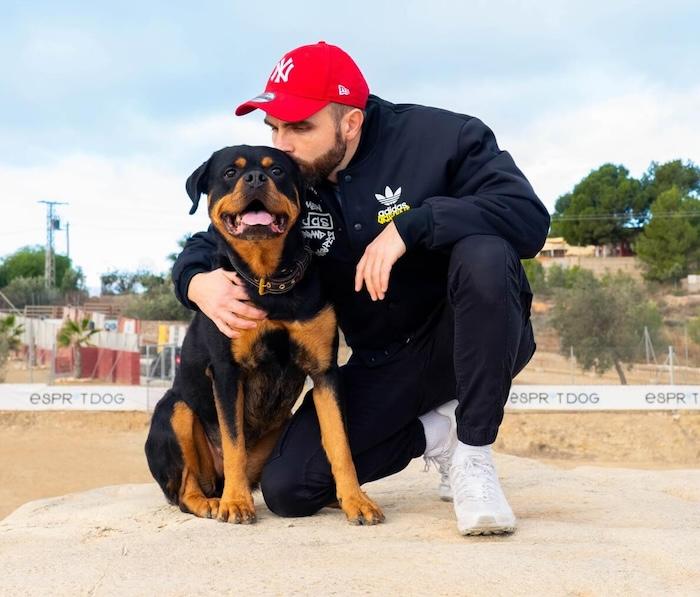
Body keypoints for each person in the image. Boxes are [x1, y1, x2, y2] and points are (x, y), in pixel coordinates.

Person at [173, 41, 550, 535]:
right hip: (382, 362)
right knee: (290, 488)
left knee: (485, 250)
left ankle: (475, 452)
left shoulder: (444, 137)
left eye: (300, 126)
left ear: (349, 122)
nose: (281, 144)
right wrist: (196, 283)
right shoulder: (292, 178)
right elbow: (214, 238)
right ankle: (440, 436)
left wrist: (412, 226)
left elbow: (527, 217)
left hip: (466, 337)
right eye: (274, 127)